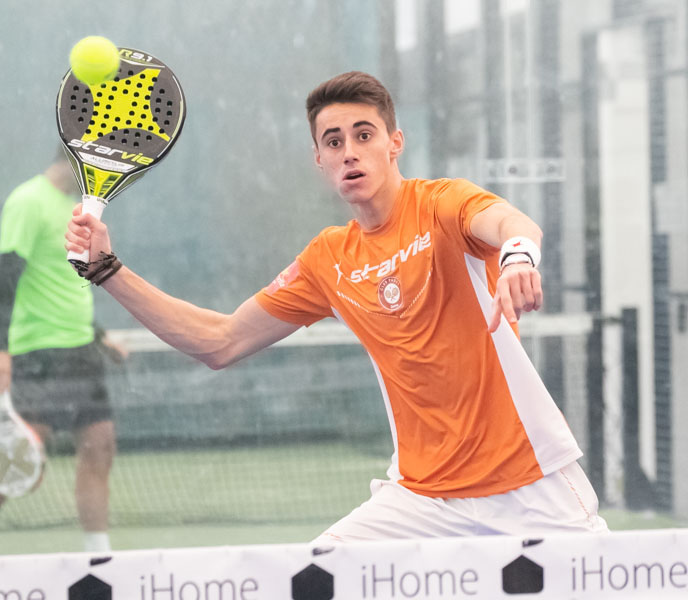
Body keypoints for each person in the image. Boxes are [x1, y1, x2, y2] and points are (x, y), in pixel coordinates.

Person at [65, 71, 607, 541]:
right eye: (333, 141)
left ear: (394, 143)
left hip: (531, 489)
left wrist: (517, 257)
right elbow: (220, 341)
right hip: (422, 501)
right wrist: (107, 270)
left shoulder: (443, 204)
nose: (349, 151)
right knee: (314, 579)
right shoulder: (329, 258)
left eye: (364, 135)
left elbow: (511, 222)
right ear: (320, 159)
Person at [0, 152, 124, 552]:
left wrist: (98, 336)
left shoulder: (76, 211)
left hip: (81, 351)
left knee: (100, 445)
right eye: (94, 172)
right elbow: (5, 278)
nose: (99, 182)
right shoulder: (27, 201)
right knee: (17, 465)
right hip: (38, 353)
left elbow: (63, 283)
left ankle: (98, 559)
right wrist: (1, 350)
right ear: (73, 160)